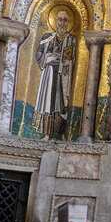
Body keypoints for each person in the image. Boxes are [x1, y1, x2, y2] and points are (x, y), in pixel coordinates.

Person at [34, 9, 77, 139]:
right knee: (48, 102)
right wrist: (47, 58)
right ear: (55, 21)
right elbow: (38, 54)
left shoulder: (71, 40)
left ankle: (60, 133)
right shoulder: (47, 37)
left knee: (61, 103)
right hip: (49, 74)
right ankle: (46, 133)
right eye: (60, 19)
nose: (62, 23)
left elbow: (71, 59)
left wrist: (62, 60)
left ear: (68, 23)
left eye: (65, 20)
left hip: (63, 76)